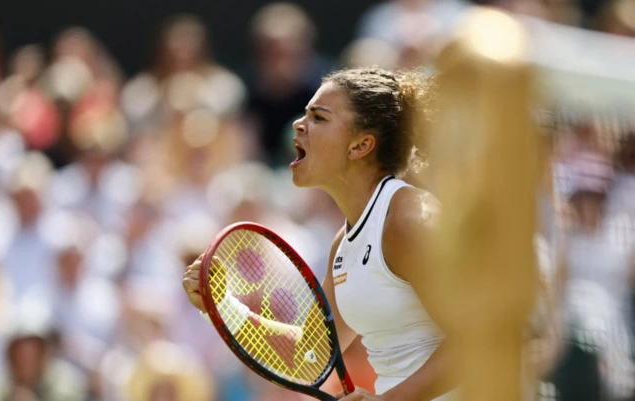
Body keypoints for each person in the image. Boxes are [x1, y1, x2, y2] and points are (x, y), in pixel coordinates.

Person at [183, 67, 454, 400]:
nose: (299, 124)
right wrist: (222, 305)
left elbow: (483, 339)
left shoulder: (410, 218)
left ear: (360, 145)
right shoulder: (344, 242)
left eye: (319, 118)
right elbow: (309, 358)